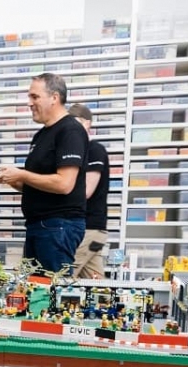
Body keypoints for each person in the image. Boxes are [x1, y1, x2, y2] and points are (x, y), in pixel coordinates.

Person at [0, 73, 88, 273]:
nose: (29, 103)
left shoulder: (70, 131)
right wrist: (12, 179)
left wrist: (22, 175)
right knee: (34, 287)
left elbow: (64, 184)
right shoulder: (41, 135)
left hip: (58, 226)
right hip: (39, 226)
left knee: (51, 287)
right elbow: (36, 184)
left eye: (34, 97)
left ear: (54, 97)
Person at [68, 103, 110, 279]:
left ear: (87, 124)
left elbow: (86, 191)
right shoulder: (79, 151)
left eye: (75, 122)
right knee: (94, 283)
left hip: (89, 228)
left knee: (64, 276)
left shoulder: (94, 150)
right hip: (91, 230)